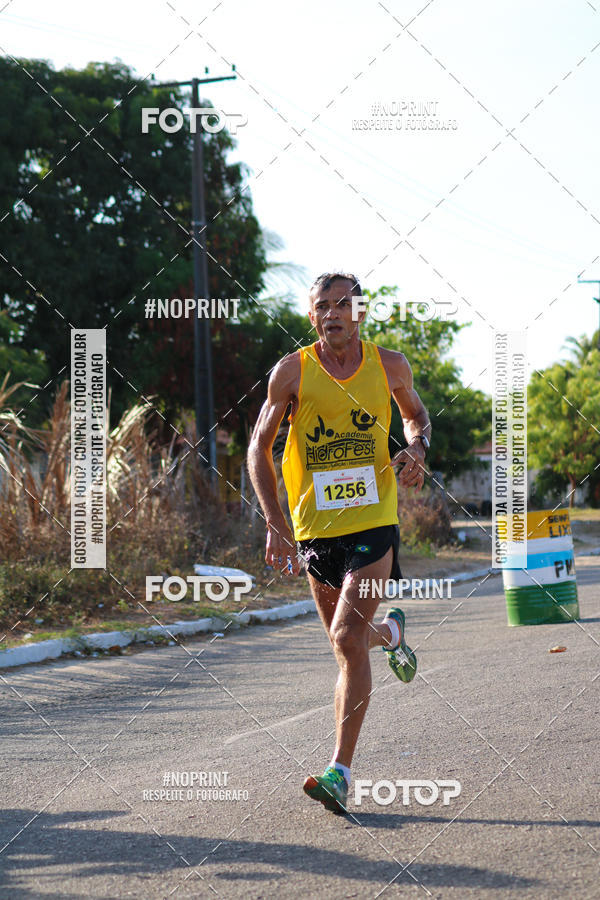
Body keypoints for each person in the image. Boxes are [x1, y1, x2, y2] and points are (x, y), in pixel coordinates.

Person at [247, 272, 431, 814]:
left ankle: (339, 771)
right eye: (322, 306)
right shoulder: (292, 372)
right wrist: (275, 523)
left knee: (347, 637)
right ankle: (392, 632)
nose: (332, 314)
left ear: (359, 311)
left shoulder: (389, 364)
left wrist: (418, 448)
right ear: (312, 317)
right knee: (344, 639)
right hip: (314, 527)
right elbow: (259, 449)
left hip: (374, 519)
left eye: (342, 304)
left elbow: (416, 416)